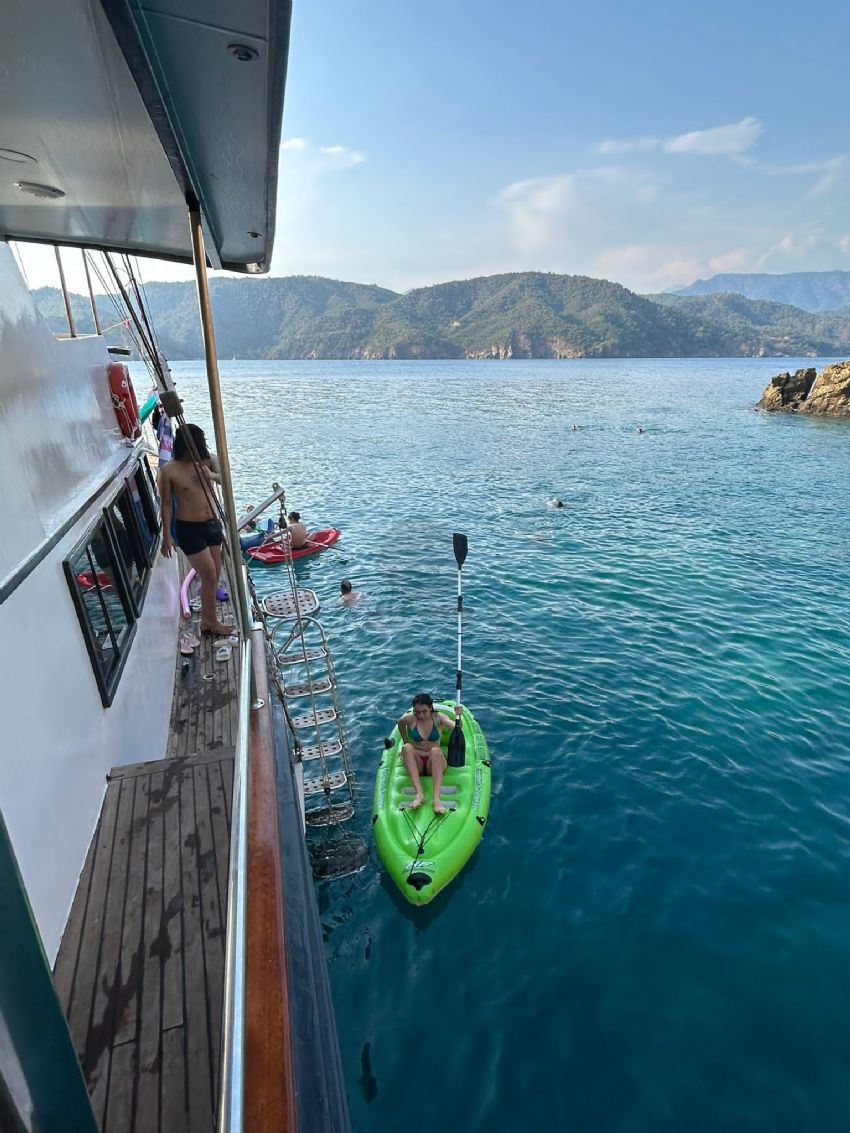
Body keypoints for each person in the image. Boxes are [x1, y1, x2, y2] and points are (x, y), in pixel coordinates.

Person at [159, 423, 231, 636]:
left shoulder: (209, 460)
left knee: (213, 575)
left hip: (212, 524)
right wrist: (166, 536)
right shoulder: (169, 470)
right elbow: (165, 504)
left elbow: (226, 480)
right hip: (189, 528)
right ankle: (211, 622)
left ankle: (209, 619)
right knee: (209, 574)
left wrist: (211, 475)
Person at [396, 694, 455, 814]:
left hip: (434, 761)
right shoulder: (410, 718)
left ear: (431, 708)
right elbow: (400, 724)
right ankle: (419, 795)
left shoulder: (438, 717)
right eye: (417, 712)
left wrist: (458, 718)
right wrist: (406, 741)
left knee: (435, 751)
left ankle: (436, 800)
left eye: (424, 711)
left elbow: (455, 727)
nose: (421, 715)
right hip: (417, 762)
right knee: (406, 748)